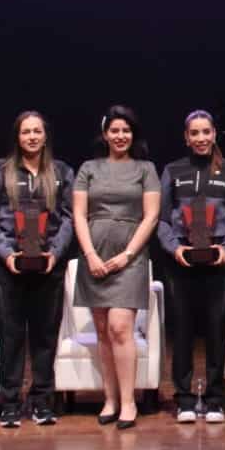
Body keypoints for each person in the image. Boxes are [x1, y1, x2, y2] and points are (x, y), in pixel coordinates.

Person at [0, 111, 73, 428]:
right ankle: (10, 402)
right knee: (11, 336)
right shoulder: (0, 170)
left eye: (37, 131)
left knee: (45, 338)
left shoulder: (61, 172)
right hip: (10, 268)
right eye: (25, 132)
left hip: (48, 267)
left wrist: (55, 254)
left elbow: (71, 217)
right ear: (17, 137)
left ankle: (42, 401)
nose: (31, 137)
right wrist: (7, 254)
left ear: (45, 136)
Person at [71, 106, 162, 429]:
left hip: (130, 256)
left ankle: (128, 402)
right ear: (105, 134)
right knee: (102, 332)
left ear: (133, 134)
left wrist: (127, 254)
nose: (120, 136)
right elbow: (79, 214)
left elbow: (151, 216)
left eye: (126, 130)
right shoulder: (88, 168)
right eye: (115, 130)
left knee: (121, 328)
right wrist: (90, 254)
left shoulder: (145, 168)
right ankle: (109, 399)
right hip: (94, 254)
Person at [157, 110, 225, 424]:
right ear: (186, 137)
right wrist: (174, 248)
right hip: (181, 263)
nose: (201, 138)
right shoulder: (172, 170)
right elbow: (163, 219)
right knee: (181, 331)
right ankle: (183, 399)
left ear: (214, 133)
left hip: (217, 263)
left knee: (216, 331)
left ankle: (216, 398)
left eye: (206, 132)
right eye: (194, 133)